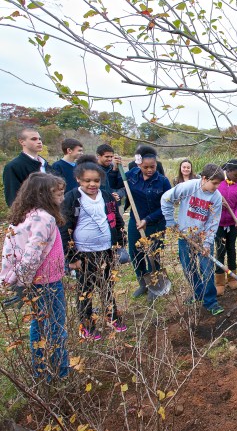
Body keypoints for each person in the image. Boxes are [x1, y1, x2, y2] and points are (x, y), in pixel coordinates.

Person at [0, 173, 68, 380]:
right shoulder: (44, 218)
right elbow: (31, 254)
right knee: (55, 326)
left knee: (38, 325)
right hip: (46, 282)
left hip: (36, 281)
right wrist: (22, 281)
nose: (62, 199)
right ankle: (59, 372)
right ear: (44, 195)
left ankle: (41, 370)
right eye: (59, 194)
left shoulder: (25, 215)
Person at [60, 156, 126, 340]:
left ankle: (111, 315)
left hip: (105, 249)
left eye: (96, 180)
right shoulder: (73, 198)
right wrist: (72, 256)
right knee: (85, 289)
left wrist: (120, 240)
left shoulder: (105, 196)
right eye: (87, 180)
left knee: (107, 285)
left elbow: (116, 218)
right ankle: (87, 324)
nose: (92, 184)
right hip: (84, 252)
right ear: (78, 180)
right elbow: (65, 228)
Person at [161, 164, 225, 315]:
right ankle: (198, 293)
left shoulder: (216, 197)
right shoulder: (189, 187)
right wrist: (170, 221)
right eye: (214, 183)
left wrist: (208, 242)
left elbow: (213, 222)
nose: (216, 187)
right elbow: (166, 199)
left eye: (218, 184)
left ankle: (211, 301)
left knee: (207, 269)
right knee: (188, 268)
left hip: (203, 238)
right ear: (204, 178)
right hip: (185, 236)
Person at [125, 146, 172, 298]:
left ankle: (155, 284)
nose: (150, 170)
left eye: (153, 166)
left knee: (154, 254)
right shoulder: (132, 175)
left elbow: (167, 206)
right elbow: (114, 181)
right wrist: (113, 168)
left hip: (155, 223)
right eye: (145, 167)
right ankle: (142, 283)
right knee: (135, 253)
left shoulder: (163, 182)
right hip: (135, 222)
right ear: (139, 165)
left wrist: (148, 219)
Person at [214, 159, 237, 295]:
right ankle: (220, 282)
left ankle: (232, 278)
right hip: (218, 223)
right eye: (236, 175)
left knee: (231, 249)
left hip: (232, 223)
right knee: (220, 251)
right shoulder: (218, 182)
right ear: (227, 171)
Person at [3, 127, 53, 207]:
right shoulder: (13, 167)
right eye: (34, 139)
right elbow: (13, 199)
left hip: (51, 213)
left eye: (39, 139)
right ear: (22, 142)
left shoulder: (45, 165)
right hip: (29, 216)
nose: (39, 142)